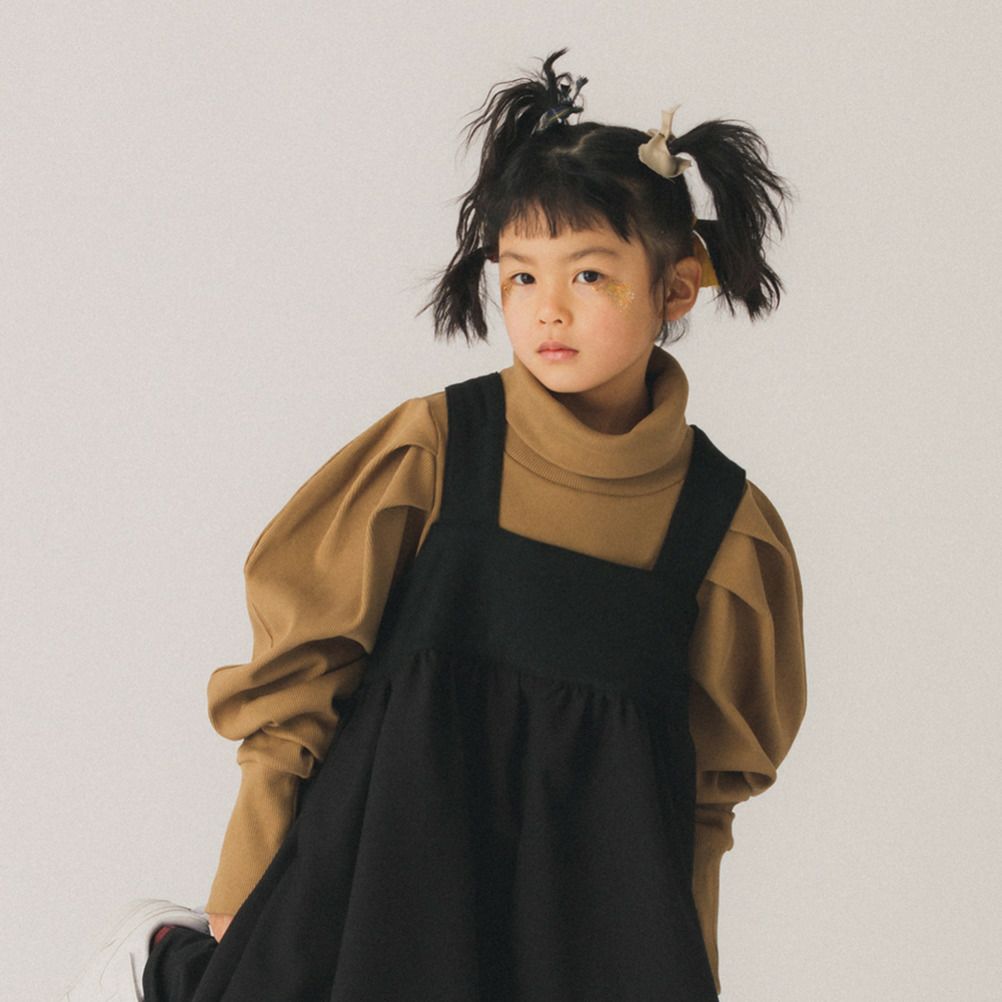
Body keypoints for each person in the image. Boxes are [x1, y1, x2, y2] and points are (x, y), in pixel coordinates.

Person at [63, 47, 807, 1002]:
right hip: (390, 868)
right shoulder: (439, 450)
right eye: (521, 277)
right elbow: (302, 674)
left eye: (589, 275)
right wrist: (242, 879)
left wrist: (685, 963)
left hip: (582, 917)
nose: (547, 311)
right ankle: (163, 965)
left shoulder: (723, 528)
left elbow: (701, 802)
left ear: (677, 286)